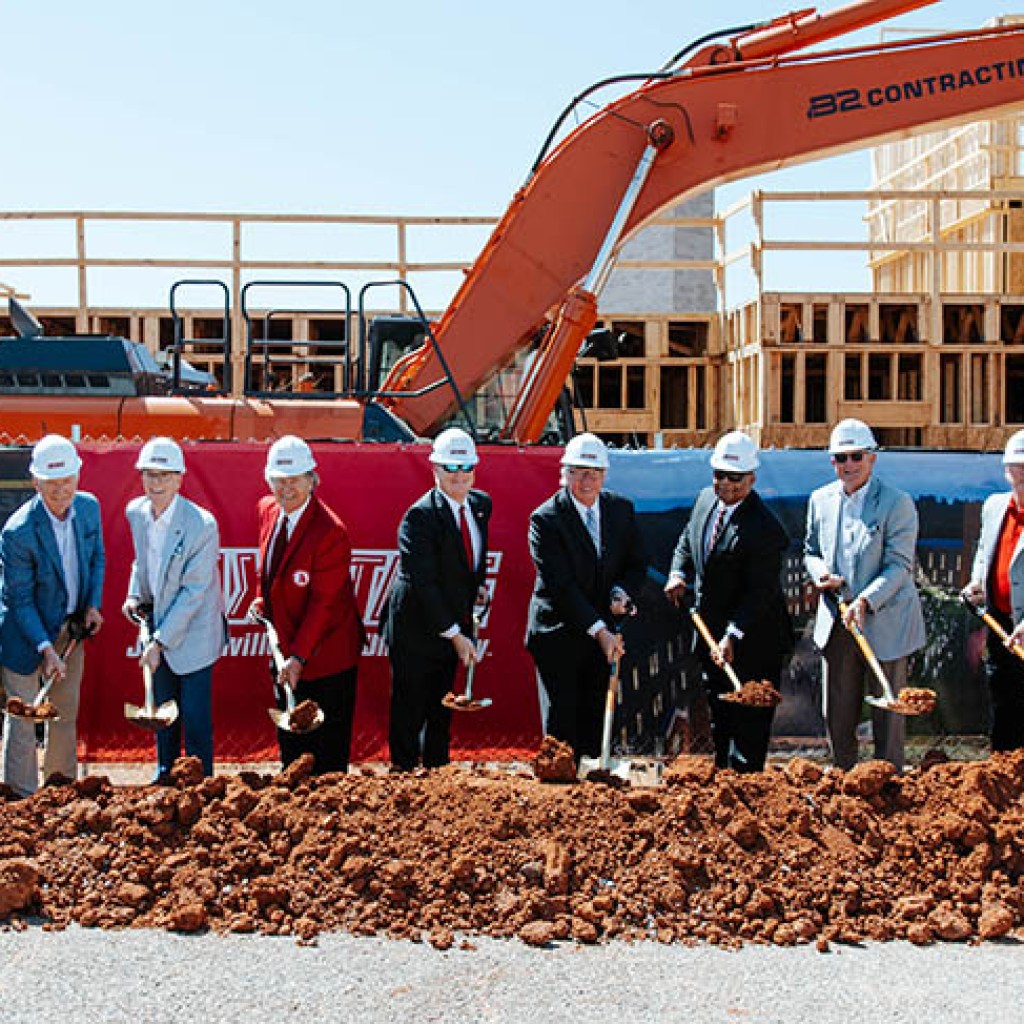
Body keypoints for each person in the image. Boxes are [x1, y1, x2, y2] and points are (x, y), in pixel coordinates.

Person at [664, 431, 793, 772]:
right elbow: (686, 541)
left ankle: (747, 794)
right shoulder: (706, 500)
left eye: (735, 478)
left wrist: (733, 634)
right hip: (712, 635)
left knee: (748, 726)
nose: (726, 484)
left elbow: (760, 592)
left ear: (751, 478)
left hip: (754, 640)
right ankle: (723, 783)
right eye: (719, 475)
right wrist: (678, 572)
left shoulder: (766, 530)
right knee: (720, 716)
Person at [804, 418, 925, 771]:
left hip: (885, 621)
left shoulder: (897, 503)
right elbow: (810, 550)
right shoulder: (820, 501)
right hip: (838, 620)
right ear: (832, 462)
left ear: (872, 458)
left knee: (888, 712)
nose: (849, 465)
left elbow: (900, 565)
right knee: (838, 711)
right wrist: (820, 573)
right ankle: (845, 780)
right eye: (841, 458)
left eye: (856, 456)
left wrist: (866, 600)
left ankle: (888, 782)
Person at [526, 432, 647, 762]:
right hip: (559, 634)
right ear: (563, 474)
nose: (585, 481)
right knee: (563, 724)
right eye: (577, 472)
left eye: (593, 473)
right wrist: (600, 632)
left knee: (596, 722)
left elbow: (636, 563)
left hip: (602, 636)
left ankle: (593, 796)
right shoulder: (546, 519)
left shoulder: (620, 510)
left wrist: (622, 594)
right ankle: (558, 802)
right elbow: (561, 586)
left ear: (604, 475)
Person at [247, 436, 363, 774]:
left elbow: (323, 604)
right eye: (278, 481)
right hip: (286, 653)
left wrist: (298, 658)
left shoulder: (331, 533)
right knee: (292, 750)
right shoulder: (267, 510)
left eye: (294, 480)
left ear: (312, 479)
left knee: (326, 759)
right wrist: (260, 596)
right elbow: (267, 567)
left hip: (328, 658)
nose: (285, 489)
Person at [0, 434, 105, 797]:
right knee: (24, 718)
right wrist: (45, 649)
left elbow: (96, 560)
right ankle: (20, 798)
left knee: (63, 713)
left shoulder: (89, 508)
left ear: (78, 476)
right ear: (35, 482)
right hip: (25, 635)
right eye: (51, 482)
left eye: (66, 480)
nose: (61, 490)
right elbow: (21, 601)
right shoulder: (18, 531)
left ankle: (59, 793)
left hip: (70, 628)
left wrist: (92, 604)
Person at [382, 427, 491, 771]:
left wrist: (477, 586)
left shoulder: (480, 506)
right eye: (450, 469)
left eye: (466, 468)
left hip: (452, 624)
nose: (459, 476)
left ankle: (437, 777)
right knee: (410, 710)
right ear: (435, 470)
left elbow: (467, 559)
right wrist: (456, 635)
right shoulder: (420, 517)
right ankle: (403, 779)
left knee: (441, 710)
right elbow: (423, 583)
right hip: (416, 629)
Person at [123, 437, 226, 781]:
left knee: (194, 718)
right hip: (158, 626)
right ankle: (164, 775)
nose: (156, 483)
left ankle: (201, 786)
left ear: (180, 479)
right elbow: (143, 562)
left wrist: (160, 643)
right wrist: (134, 595)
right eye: (149, 475)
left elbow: (195, 592)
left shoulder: (202, 525)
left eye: (164, 476)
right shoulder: (136, 512)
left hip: (194, 634)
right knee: (163, 715)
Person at [962, 428, 1024, 752]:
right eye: (1019, 465)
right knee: (1003, 698)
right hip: (1001, 626)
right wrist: (978, 585)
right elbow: (985, 552)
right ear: (1006, 470)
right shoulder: (995, 507)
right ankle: (1005, 777)